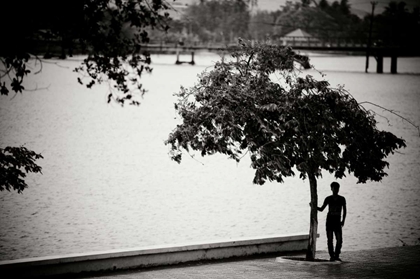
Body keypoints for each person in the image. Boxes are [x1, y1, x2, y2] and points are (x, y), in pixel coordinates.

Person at [317, 182, 347, 261]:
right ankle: (332, 256)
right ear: (331, 189)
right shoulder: (328, 198)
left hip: (337, 220)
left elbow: (344, 211)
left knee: (339, 239)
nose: (335, 190)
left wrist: (343, 220)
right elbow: (321, 209)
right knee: (330, 239)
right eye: (334, 188)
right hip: (330, 220)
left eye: (337, 188)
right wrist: (314, 206)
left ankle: (336, 255)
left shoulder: (342, 199)